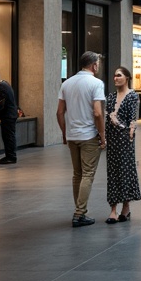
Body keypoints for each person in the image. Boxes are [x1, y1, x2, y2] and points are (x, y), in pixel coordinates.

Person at [56, 51, 107, 228]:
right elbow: (98, 113)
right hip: (89, 135)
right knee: (87, 174)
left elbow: (60, 112)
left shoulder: (67, 83)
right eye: (98, 64)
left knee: (77, 174)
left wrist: (64, 132)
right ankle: (79, 213)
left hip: (72, 136)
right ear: (94, 65)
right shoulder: (96, 83)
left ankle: (79, 210)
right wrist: (102, 135)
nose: (98, 67)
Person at [105, 66, 141, 224]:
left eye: (119, 75)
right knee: (112, 172)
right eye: (114, 75)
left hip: (126, 139)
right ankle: (113, 209)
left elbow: (133, 118)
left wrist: (130, 132)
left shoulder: (132, 96)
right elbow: (106, 117)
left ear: (127, 78)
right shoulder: (111, 97)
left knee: (125, 171)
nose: (115, 78)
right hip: (112, 140)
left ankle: (126, 207)